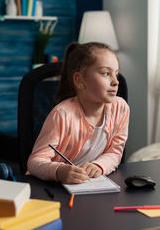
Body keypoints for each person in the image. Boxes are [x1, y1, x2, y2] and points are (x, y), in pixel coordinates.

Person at [26, 42, 130, 184]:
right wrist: (59, 171)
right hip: (53, 188)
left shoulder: (121, 108)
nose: (115, 82)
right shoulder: (62, 115)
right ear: (80, 80)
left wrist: (99, 166)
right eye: (106, 73)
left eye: (116, 74)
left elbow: (115, 152)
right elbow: (34, 162)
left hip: (90, 185)